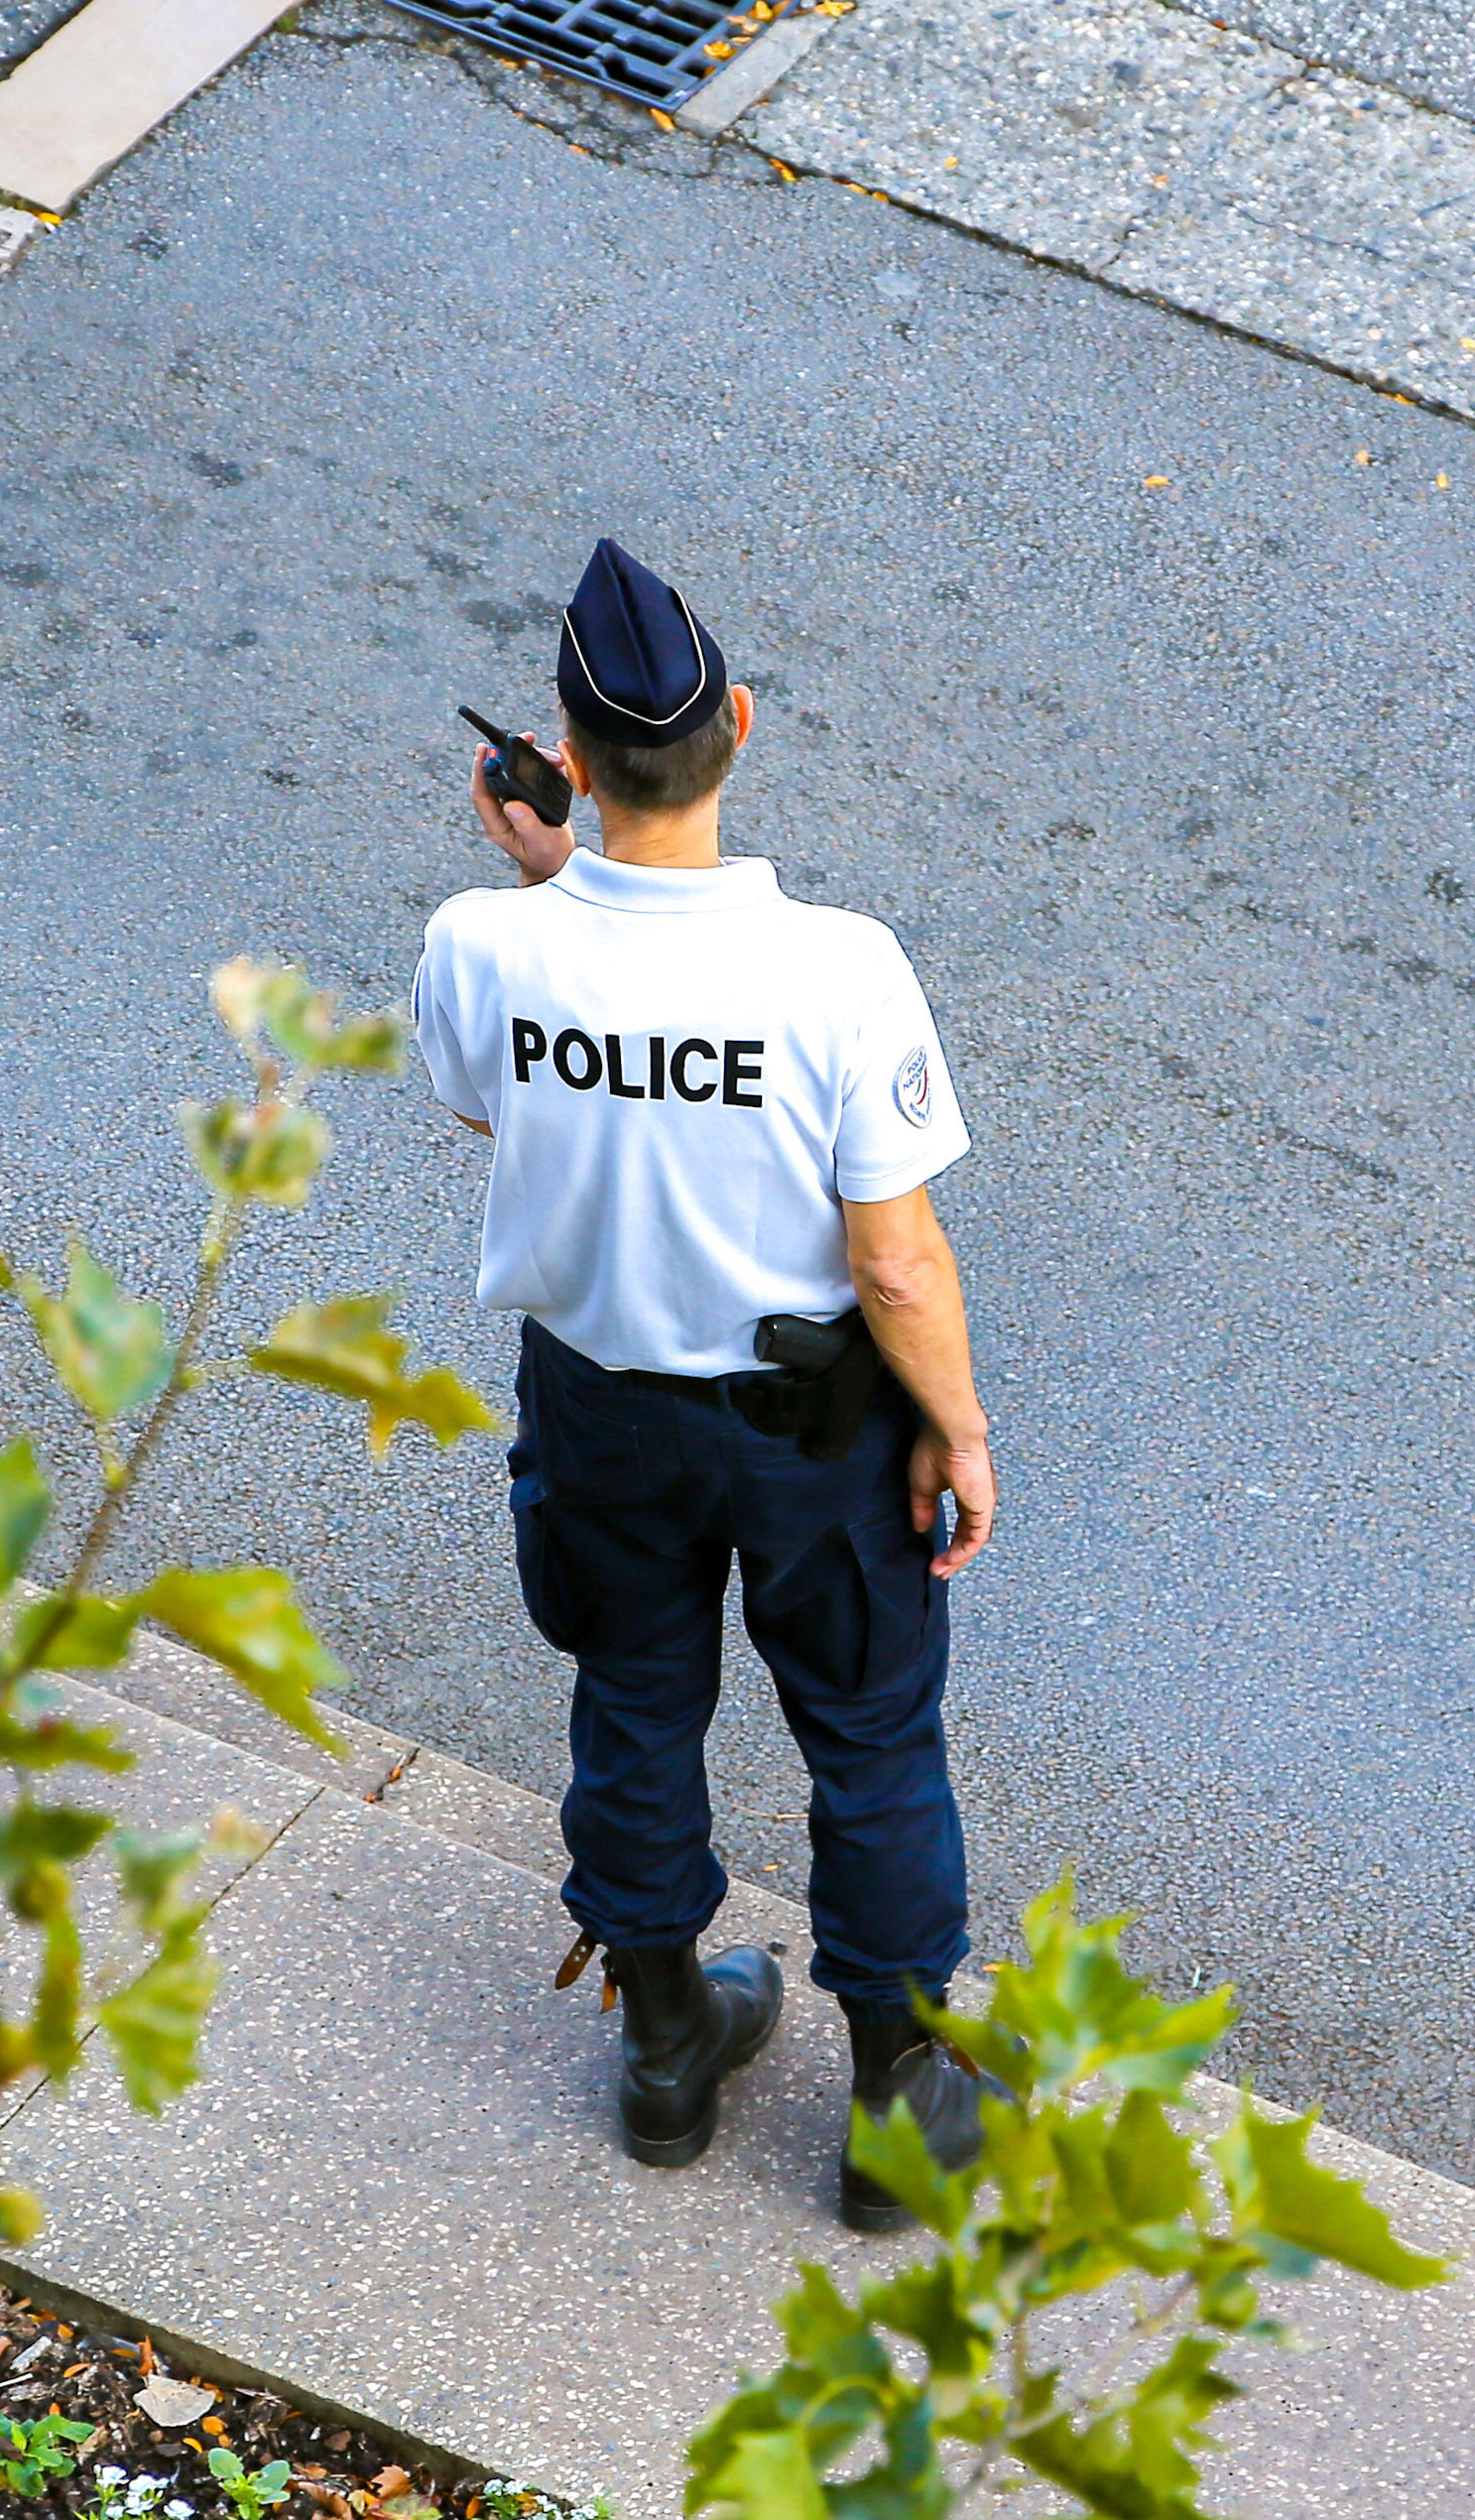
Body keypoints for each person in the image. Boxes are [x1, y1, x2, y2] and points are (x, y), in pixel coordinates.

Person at [412, 539, 998, 2231]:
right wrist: (954, 1427)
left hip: (599, 1410)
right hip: (811, 1426)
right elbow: (893, 1260)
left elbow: (502, 1110)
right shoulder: (838, 970)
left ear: (566, 766)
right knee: (872, 1733)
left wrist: (540, 882)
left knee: (634, 1698)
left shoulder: (485, 942)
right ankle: (895, 2103)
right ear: (737, 725)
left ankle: (668, 2044)